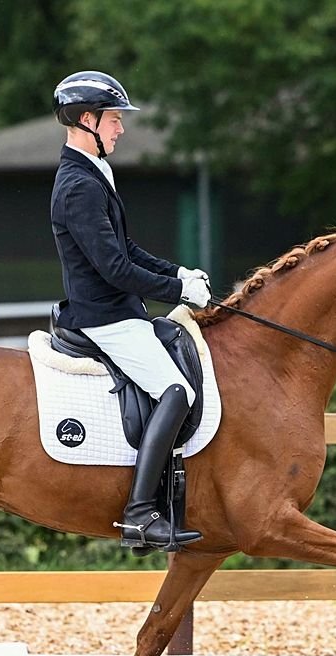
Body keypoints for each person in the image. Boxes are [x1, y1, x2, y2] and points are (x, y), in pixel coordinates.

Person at [50, 70, 209, 551]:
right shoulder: (77, 185)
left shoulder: (95, 173)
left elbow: (127, 248)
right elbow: (115, 268)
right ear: (87, 120)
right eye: (115, 120)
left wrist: (179, 273)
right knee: (175, 390)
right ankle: (140, 514)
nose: (121, 129)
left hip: (120, 308)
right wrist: (176, 290)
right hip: (104, 315)